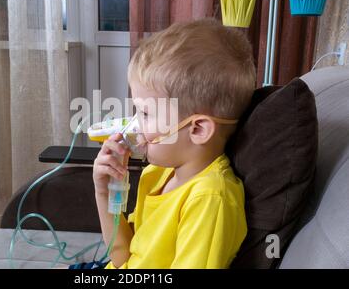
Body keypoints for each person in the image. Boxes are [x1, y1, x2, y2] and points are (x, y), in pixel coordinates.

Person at [93, 18, 256, 269]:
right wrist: (103, 192)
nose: (134, 126)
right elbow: (124, 258)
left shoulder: (209, 200)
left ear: (198, 129)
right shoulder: (157, 172)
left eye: (145, 114)